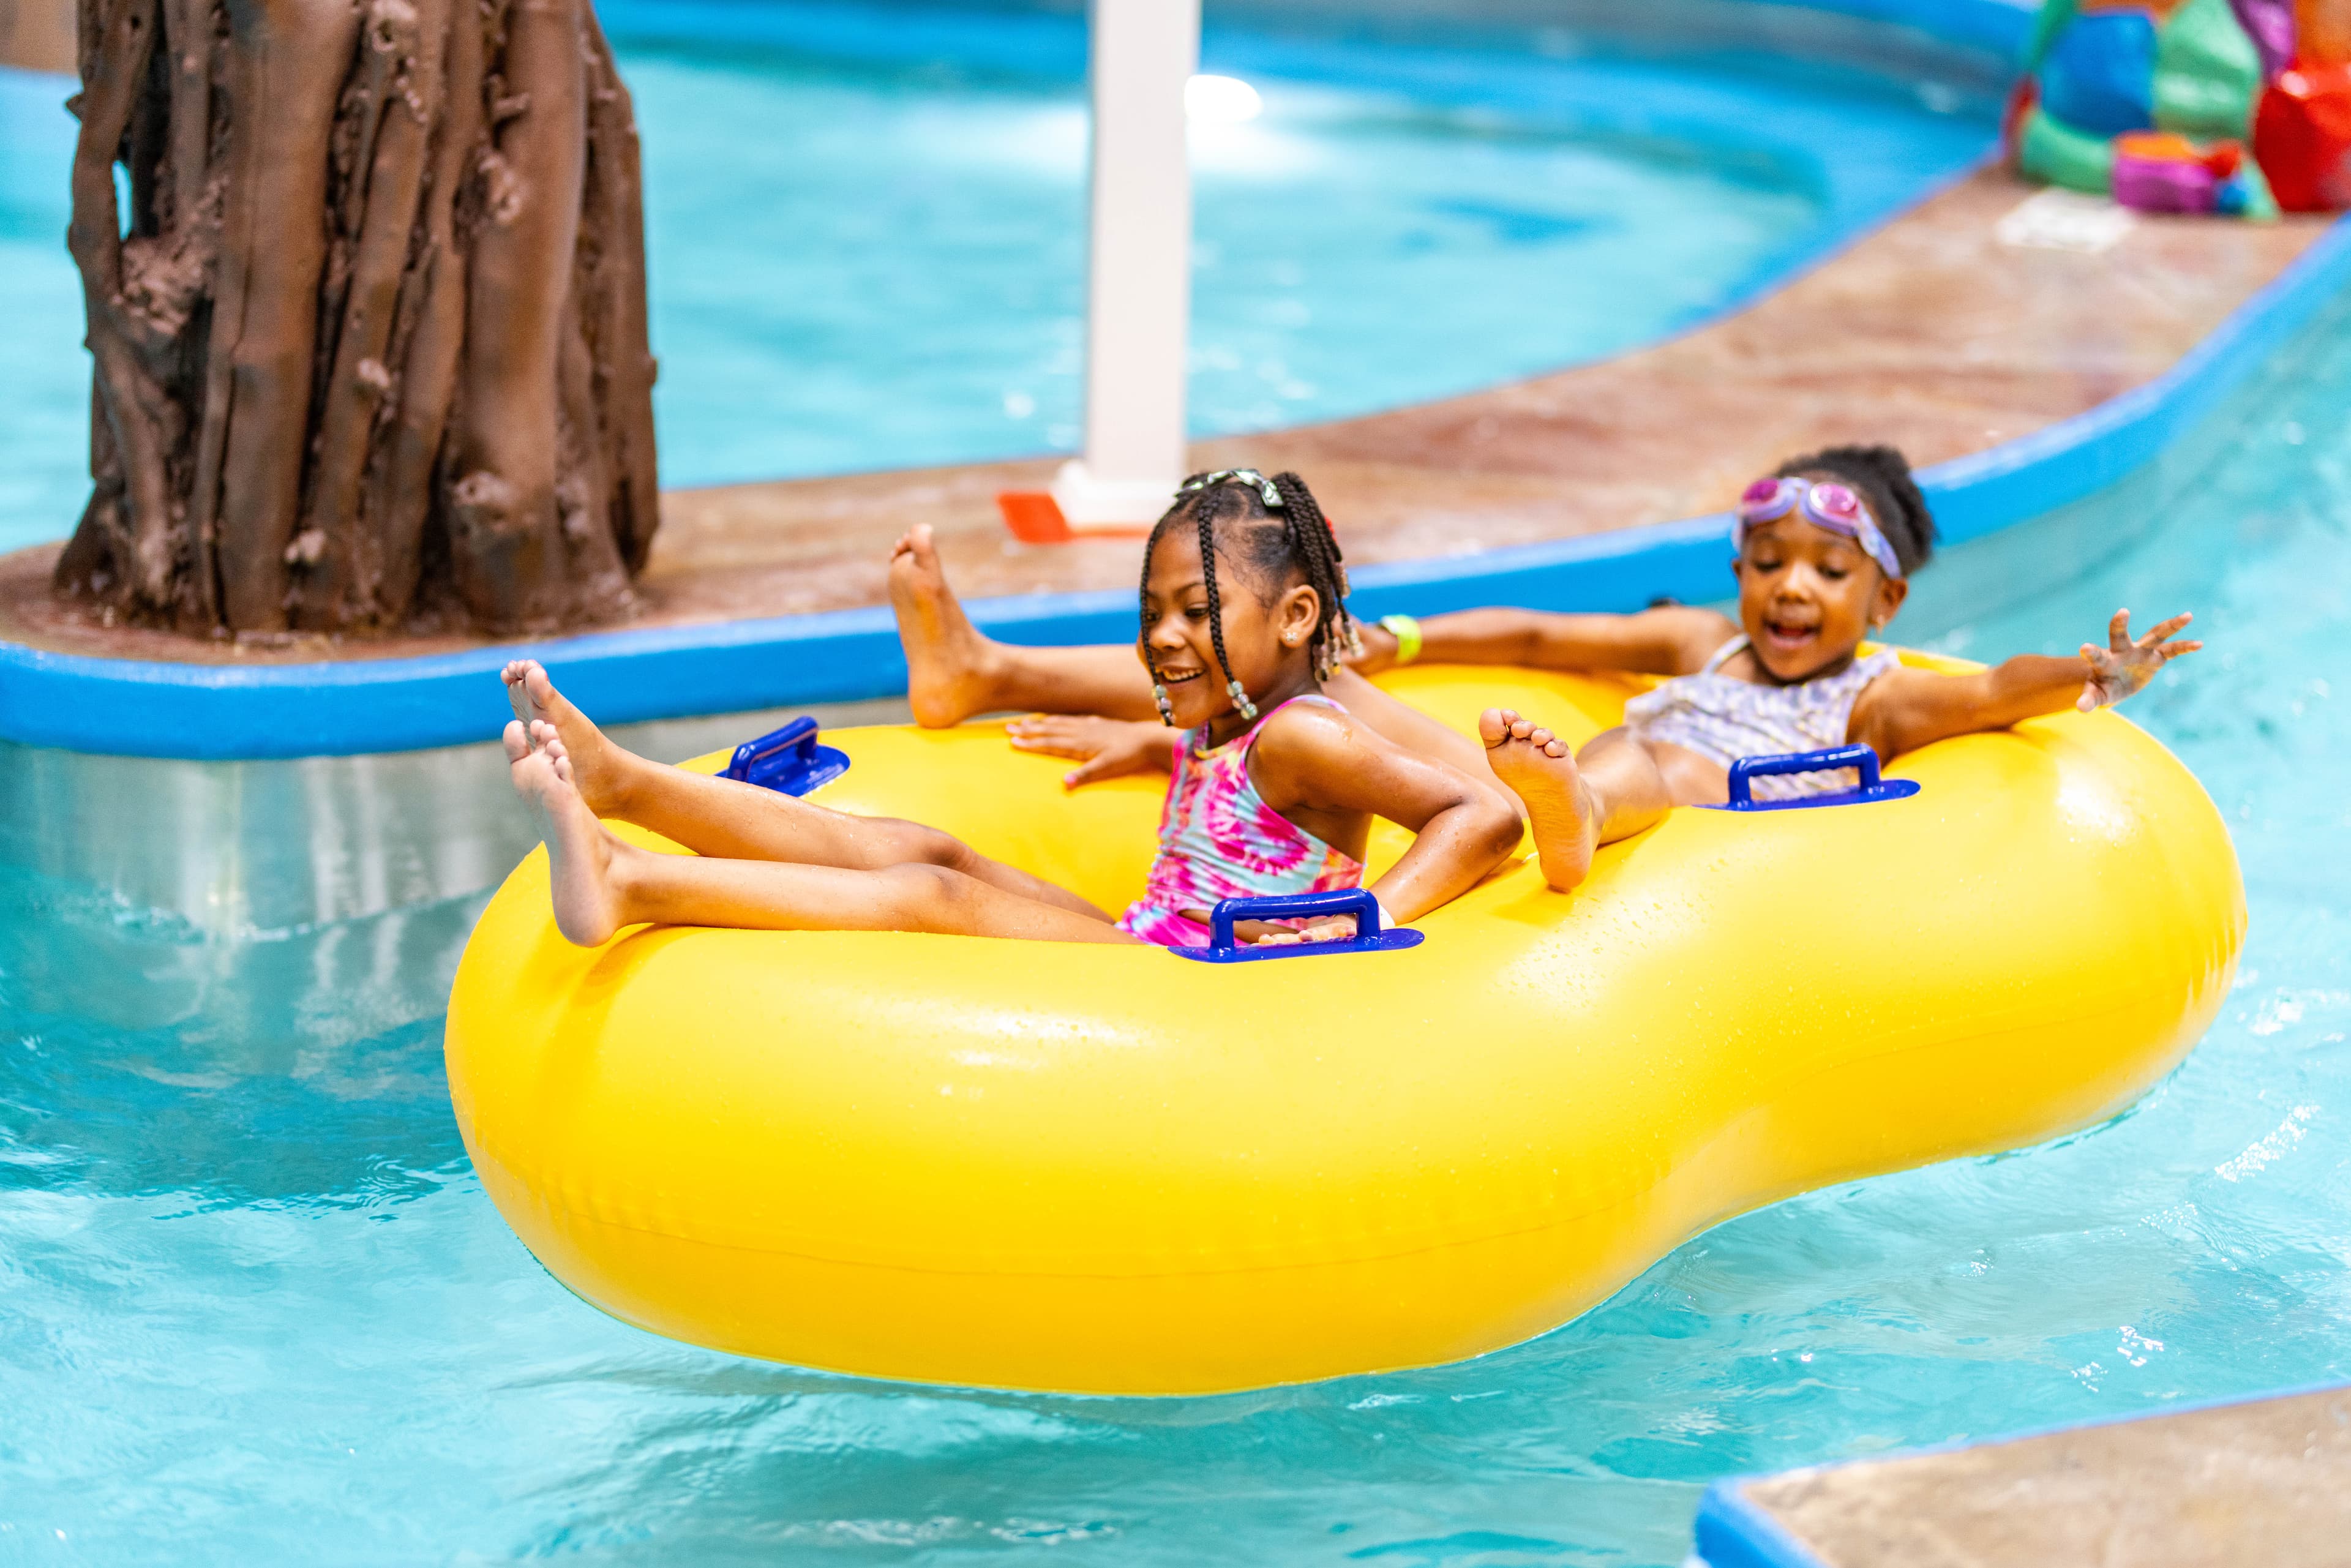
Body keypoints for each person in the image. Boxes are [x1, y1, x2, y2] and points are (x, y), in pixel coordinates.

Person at [888, 447, 2202, 895]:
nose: (1791, 591)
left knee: (1664, 763)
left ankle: (1571, 817)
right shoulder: (1703, 640)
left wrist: (2085, 672)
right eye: (1769, 562)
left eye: (1827, 572)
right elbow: (1539, 641)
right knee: (1303, 684)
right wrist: (1401, 644)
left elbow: (1990, 696)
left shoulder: (1876, 694)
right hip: (1543, 796)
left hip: (1621, 803)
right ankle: (987, 672)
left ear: (1888, 599)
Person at [500, 469, 1521, 949]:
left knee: (930, 896)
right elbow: (1247, 809)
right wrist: (1144, 739)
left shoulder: (1304, 733)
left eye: (1196, 611)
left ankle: (635, 883)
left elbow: (1485, 814)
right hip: (1153, 933)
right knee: (932, 849)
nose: (1163, 637)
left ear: (1297, 617)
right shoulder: (1233, 726)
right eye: (1151, 612)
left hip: (1196, 975)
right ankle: (625, 783)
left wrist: (1367, 917)